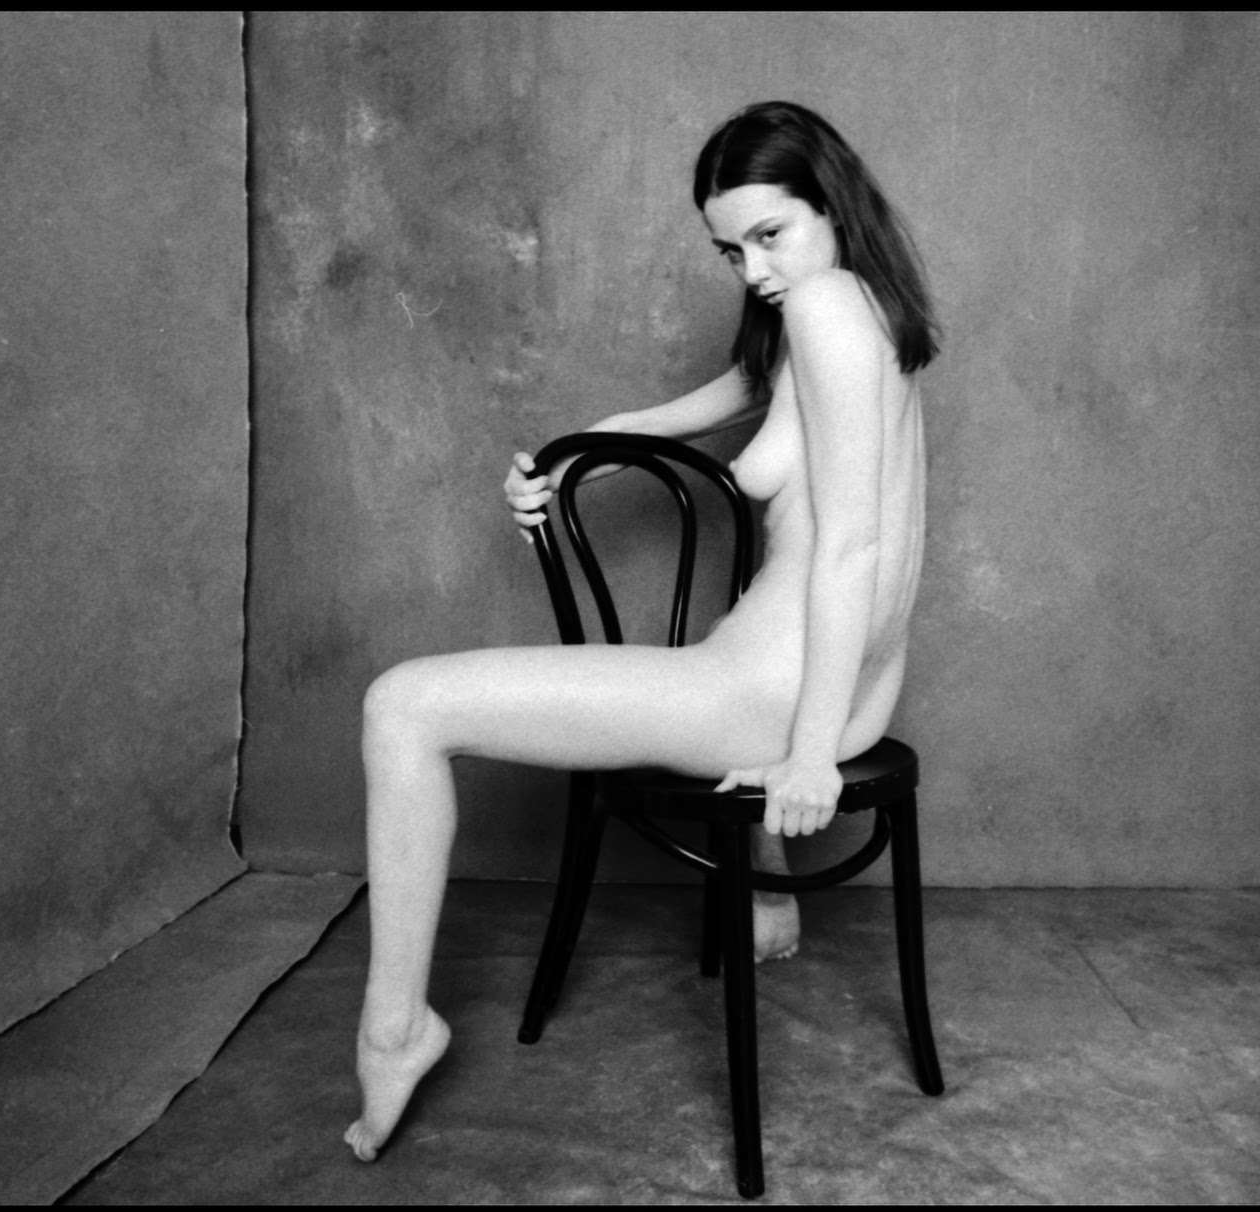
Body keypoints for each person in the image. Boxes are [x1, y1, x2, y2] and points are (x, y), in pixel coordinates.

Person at [346, 100, 939, 1162]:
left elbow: (849, 549)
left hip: (770, 698)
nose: (756, 270)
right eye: (732, 251)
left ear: (833, 204)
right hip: (830, 687)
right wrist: (593, 441)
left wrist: (805, 758)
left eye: (771, 235)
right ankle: (765, 906)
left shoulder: (823, 308)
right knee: (693, 645)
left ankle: (395, 1032)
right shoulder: (853, 314)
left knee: (402, 705)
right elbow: (741, 390)